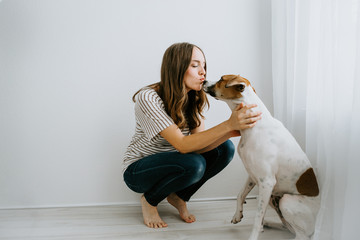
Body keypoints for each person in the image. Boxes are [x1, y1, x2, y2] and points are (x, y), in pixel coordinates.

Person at [123, 42, 262, 229]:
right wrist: (228, 124)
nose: (203, 72)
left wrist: (232, 130)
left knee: (225, 149)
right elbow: (183, 145)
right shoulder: (148, 97)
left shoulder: (194, 99)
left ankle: (178, 197)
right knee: (194, 163)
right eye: (195, 65)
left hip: (177, 162)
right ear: (176, 67)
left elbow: (199, 146)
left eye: (204, 65)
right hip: (139, 171)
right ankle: (149, 201)